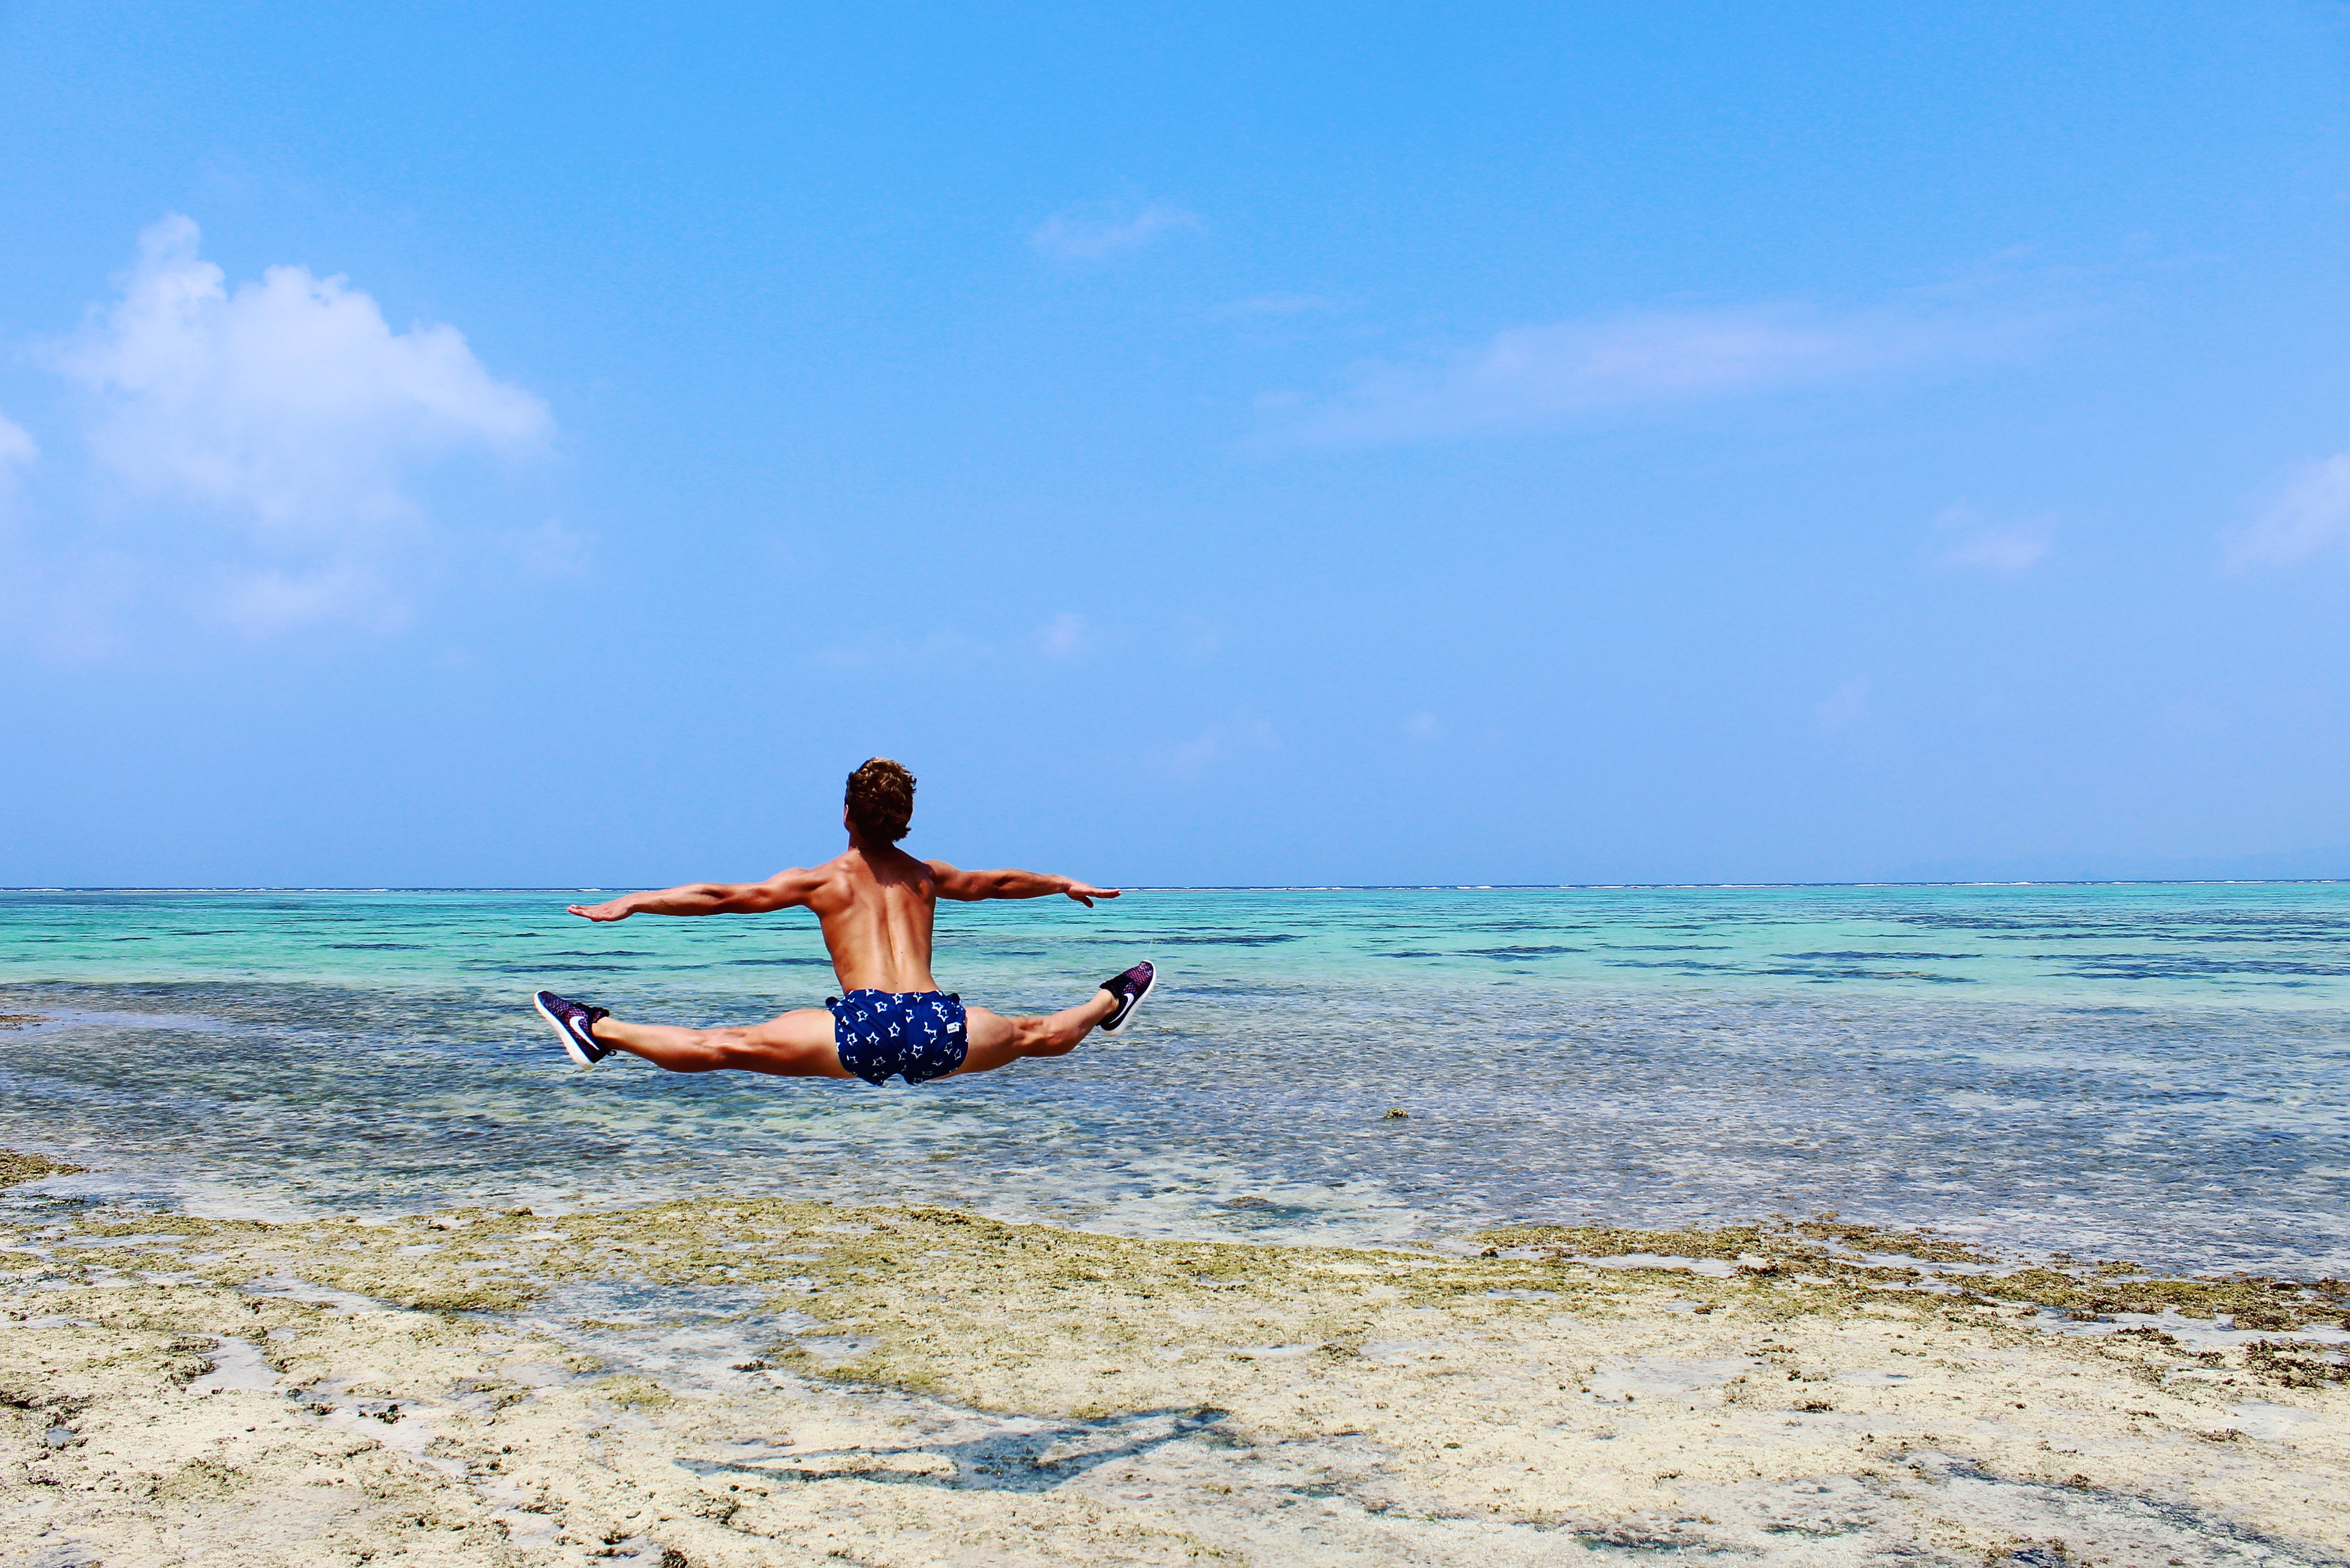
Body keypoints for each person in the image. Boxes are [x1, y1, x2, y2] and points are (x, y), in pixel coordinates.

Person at [530, 758, 1155, 1085]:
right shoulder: (926, 875)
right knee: (1034, 1034)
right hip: (938, 1024)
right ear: (904, 821)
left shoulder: (825, 880)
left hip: (863, 1025)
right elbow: (998, 884)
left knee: (722, 1045)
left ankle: (600, 1030)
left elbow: (723, 897)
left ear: (847, 814)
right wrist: (1061, 884)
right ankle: (1112, 1000)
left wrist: (638, 900)